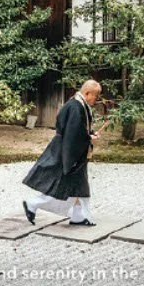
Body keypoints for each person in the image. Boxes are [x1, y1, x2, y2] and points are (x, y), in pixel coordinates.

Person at [21, 80, 102, 227]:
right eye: (95, 96)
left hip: (67, 148)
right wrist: (89, 138)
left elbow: (77, 130)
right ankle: (32, 204)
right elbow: (73, 134)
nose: (95, 100)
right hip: (67, 150)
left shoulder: (77, 104)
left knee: (78, 186)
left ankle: (78, 216)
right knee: (62, 186)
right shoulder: (76, 107)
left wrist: (89, 134)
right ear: (87, 93)